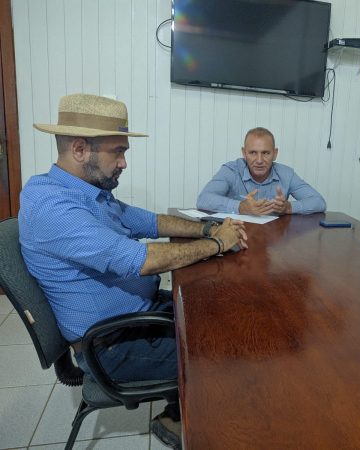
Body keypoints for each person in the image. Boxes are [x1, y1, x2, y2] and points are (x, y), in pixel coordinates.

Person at [18, 93, 248, 449]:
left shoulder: (88, 191)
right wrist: (218, 244)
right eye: (118, 152)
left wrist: (208, 229)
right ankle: (192, 425)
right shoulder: (52, 206)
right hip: (112, 346)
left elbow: (149, 221)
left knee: (222, 314)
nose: (124, 163)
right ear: (80, 149)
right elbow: (140, 260)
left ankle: (178, 411)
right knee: (233, 356)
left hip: (136, 319)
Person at [196, 127, 326, 215]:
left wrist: (288, 207)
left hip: (274, 240)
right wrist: (241, 207)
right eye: (253, 153)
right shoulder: (230, 170)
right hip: (237, 236)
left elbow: (319, 202)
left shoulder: (286, 174)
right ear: (244, 153)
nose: (259, 160)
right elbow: (203, 199)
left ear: (275, 154)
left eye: (265, 153)